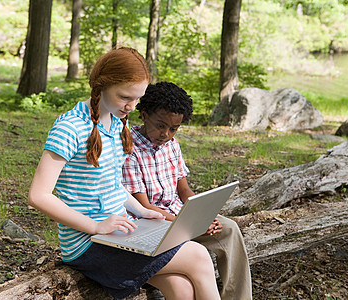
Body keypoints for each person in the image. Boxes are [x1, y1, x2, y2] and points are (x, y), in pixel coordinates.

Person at [28, 47, 221, 300]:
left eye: (137, 99)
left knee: (181, 287)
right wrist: (95, 226)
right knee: (198, 256)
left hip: (121, 234)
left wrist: (142, 211)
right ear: (101, 86)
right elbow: (38, 196)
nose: (131, 106)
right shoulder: (70, 127)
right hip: (88, 244)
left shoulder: (119, 123)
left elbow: (109, 184)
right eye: (124, 97)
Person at [122, 81, 252, 300]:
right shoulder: (129, 148)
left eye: (174, 128)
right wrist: (191, 227)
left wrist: (204, 217)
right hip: (151, 222)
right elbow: (144, 207)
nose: (166, 134)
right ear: (143, 115)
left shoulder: (172, 145)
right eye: (160, 125)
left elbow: (184, 190)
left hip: (179, 216)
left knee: (229, 229)